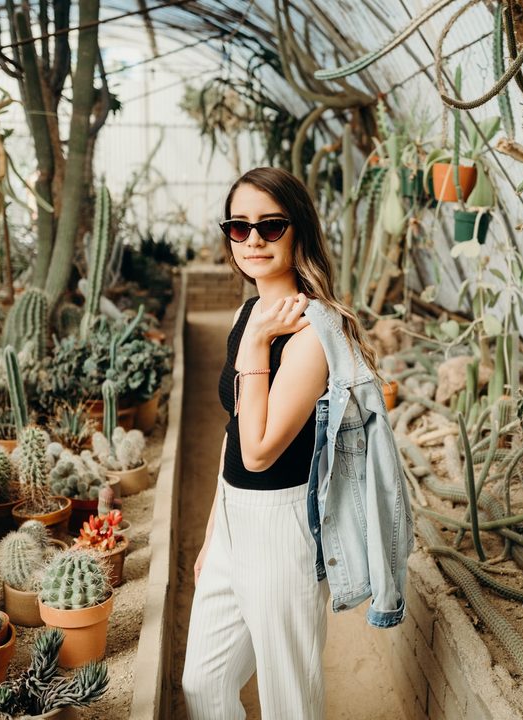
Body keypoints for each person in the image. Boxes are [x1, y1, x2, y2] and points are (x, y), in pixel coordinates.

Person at [181, 167, 404, 720]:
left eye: (270, 225)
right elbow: (235, 431)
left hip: (282, 531)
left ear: (297, 230)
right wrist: (215, 533)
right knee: (202, 685)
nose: (252, 240)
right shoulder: (245, 312)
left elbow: (260, 451)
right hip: (235, 520)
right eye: (238, 228)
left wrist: (257, 344)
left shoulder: (312, 331)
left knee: (288, 703)